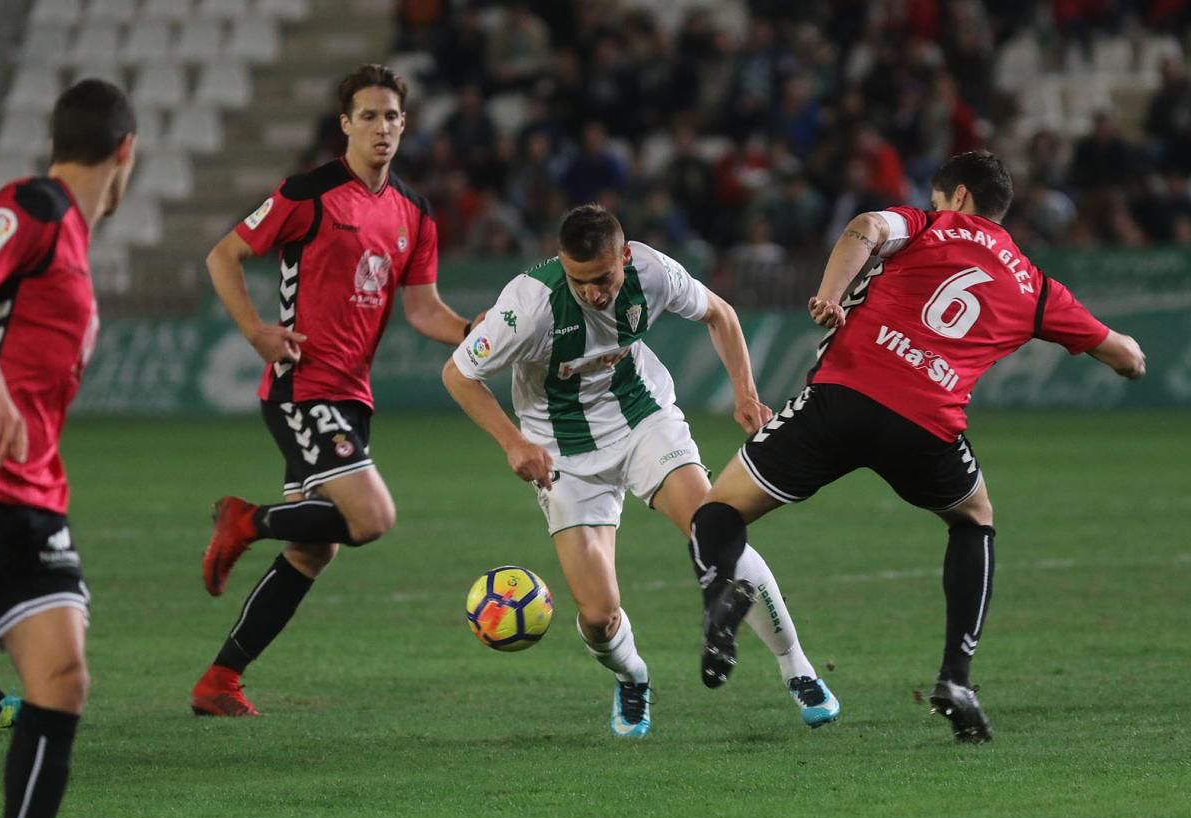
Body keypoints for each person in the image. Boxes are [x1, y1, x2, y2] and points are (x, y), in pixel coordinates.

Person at [688, 151, 1146, 743]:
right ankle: (956, 678)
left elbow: (865, 228)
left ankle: (720, 596)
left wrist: (832, 293)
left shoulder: (928, 226)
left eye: (935, 199)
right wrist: (1131, 359)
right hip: (926, 423)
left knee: (719, 510)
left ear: (956, 197)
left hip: (843, 397)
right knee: (973, 518)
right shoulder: (1036, 288)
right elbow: (1126, 356)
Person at [442, 204, 840, 737]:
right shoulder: (527, 305)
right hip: (562, 455)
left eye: (603, 278)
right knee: (598, 615)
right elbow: (458, 373)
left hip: (641, 421)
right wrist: (512, 441)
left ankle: (799, 671)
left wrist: (745, 392)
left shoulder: (651, 271)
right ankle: (633, 677)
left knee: (714, 529)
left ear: (624, 257)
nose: (593, 293)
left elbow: (720, 313)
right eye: (579, 280)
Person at [190, 64, 476, 717]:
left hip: (351, 395)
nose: (382, 128)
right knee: (372, 519)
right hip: (302, 385)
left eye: (392, 117)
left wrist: (473, 331)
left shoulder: (413, 211)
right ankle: (247, 518)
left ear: (406, 125)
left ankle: (220, 679)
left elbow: (425, 309)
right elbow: (222, 256)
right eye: (368, 116)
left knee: (315, 549)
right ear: (344, 123)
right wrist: (256, 330)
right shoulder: (309, 193)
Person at [0, 79, 136, 818]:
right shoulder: (35, 208)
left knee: (61, 678)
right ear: (126, 152)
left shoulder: (70, 240)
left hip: (29, 494)